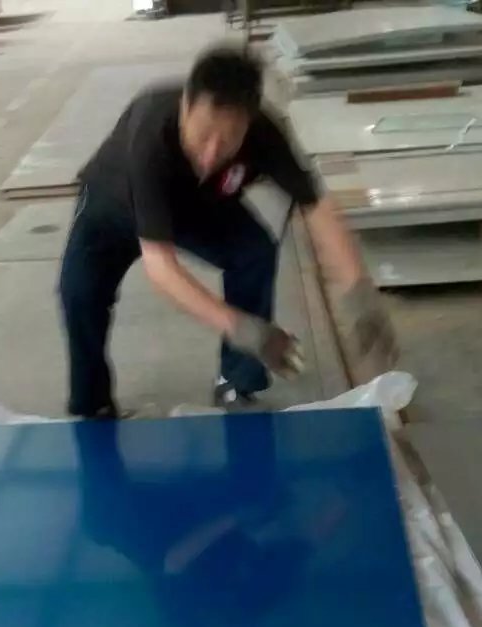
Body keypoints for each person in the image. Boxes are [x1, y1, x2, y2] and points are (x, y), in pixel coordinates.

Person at [58, 46, 394, 418]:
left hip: (197, 203)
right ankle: (94, 404)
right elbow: (161, 267)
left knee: (254, 252)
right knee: (80, 294)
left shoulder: (264, 133)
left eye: (228, 139)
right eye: (203, 135)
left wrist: (358, 293)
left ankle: (236, 381)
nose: (211, 154)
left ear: (248, 122)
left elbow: (316, 206)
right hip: (112, 206)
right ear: (185, 105)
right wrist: (244, 328)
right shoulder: (152, 133)